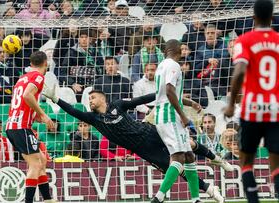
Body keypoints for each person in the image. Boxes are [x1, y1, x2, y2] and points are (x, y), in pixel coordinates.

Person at [43, 91, 226, 202]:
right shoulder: (94, 119)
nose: (90, 100)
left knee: (189, 144)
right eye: (88, 98)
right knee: (177, 170)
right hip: (144, 150)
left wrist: (179, 99)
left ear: (102, 98)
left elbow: (144, 98)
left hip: (151, 132)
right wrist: (56, 99)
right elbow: (73, 111)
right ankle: (209, 189)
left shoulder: (118, 105)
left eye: (92, 97)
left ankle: (215, 158)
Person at [223, 0, 279, 202]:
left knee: (246, 160)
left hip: (252, 109)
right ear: (272, 17)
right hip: (275, 110)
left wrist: (230, 104)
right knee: (276, 161)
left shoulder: (244, 40)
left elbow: (239, 72)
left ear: (253, 17)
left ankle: (253, 200)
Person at [152, 39, 201, 203]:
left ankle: (196, 199)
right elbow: (169, 91)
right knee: (179, 157)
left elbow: (170, 94)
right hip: (170, 116)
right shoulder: (173, 65)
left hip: (163, 114)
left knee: (189, 156)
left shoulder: (161, 66)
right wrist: (184, 116)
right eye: (182, 49)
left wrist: (191, 103)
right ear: (177, 50)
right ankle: (158, 198)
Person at [5, 51, 56, 203]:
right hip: (20, 127)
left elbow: (22, 104)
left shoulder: (22, 78)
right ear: (46, 63)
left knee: (41, 160)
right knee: (35, 164)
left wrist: (36, 117)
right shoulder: (38, 77)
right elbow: (28, 96)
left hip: (14, 125)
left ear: (31, 63)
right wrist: (44, 115)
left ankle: (47, 198)